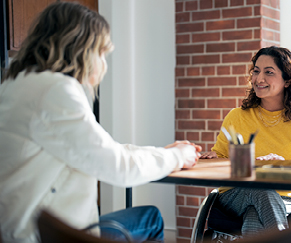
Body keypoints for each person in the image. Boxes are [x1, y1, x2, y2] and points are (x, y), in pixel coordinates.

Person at [0, 2, 201, 243]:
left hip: (17, 227)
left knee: (147, 217)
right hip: (49, 235)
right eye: (102, 52)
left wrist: (163, 153)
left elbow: (103, 149)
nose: (104, 63)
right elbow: (120, 168)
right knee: (150, 218)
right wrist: (178, 157)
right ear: (82, 49)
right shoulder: (56, 90)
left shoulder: (15, 85)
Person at [200, 46, 291, 237]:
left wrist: (277, 167)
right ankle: (284, 240)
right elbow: (222, 156)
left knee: (254, 216)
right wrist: (215, 157)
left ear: (288, 80)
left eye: (269, 72)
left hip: (288, 196)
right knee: (260, 190)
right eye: (256, 71)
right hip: (236, 194)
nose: (259, 79)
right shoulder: (237, 116)